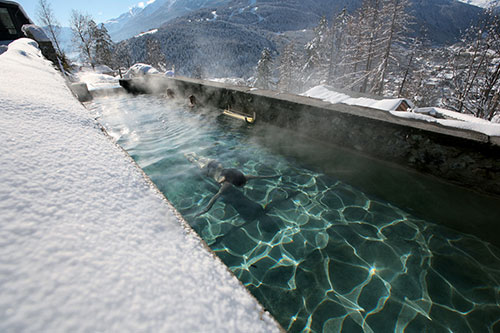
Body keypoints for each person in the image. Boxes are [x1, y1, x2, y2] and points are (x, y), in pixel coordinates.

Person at [185, 152, 279, 216]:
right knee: (194, 161)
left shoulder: (241, 177)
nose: (243, 185)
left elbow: (257, 177)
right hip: (207, 169)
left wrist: (273, 176)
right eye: (242, 185)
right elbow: (215, 198)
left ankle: (190, 153)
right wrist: (205, 210)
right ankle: (186, 155)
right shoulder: (227, 185)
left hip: (214, 163)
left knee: (198, 157)